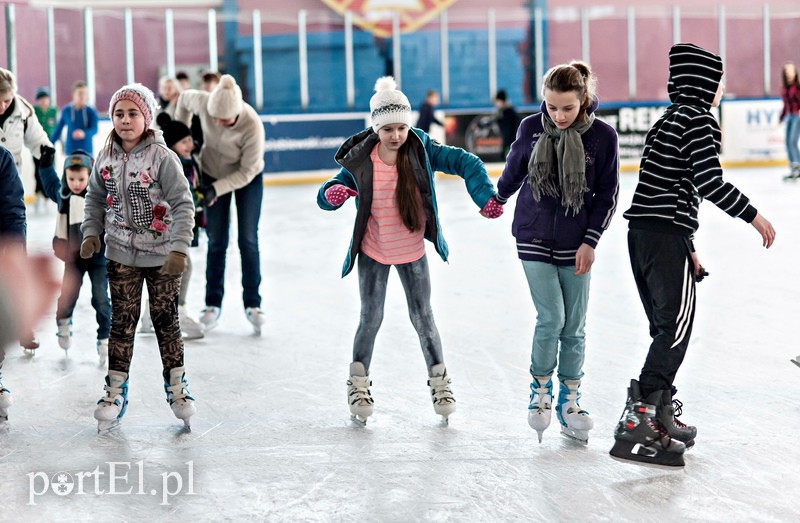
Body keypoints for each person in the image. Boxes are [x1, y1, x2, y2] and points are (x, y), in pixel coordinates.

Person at [610, 43, 776, 467]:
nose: (722, 89)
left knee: (666, 328)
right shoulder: (700, 121)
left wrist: (690, 246)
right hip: (665, 238)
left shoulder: (666, 120)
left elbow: (667, 191)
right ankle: (641, 417)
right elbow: (709, 182)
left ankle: (660, 412)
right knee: (675, 332)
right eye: (718, 81)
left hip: (644, 235)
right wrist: (753, 215)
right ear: (703, 83)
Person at [317, 76, 504, 425]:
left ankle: (439, 381)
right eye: (388, 128)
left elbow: (467, 163)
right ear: (376, 127)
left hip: (412, 251)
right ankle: (358, 382)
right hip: (374, 251)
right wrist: (331, 195)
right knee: (370, 317)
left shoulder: (421, 148)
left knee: (423, 317)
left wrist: (483, 197)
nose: (396, 135)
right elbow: (331, 188)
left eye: (402, 127)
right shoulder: (362, 158)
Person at [495, 62, 619, 444]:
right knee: (552, 317)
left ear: (583, 100)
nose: (559, 116)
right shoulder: (531, 128)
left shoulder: (603, 136)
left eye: (567, 107)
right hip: (532, 235)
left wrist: (591, 241)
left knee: (575, 325)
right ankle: (541, 392)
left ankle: (570, 400)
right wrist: (496, 198)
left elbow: (607, 196)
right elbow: (514, 171)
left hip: (576, 241)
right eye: (551, 107)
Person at [80, 83, 197, 432]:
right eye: (119, 113)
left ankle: (177, 388)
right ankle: (115, 391)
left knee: (166, 323)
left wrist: (179, 247)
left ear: (146, 117)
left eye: (133, 113)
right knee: (122, 324)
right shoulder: (106, 156)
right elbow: (94, 198)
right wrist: (90, 232)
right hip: (119, 253)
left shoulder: (163, 157)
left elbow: (183, 204)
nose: (125, 120)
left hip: (162, 255)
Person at [174, 74, 267, 334]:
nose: (216, 122)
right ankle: (212, 303)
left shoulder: (252, 125)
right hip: (212, 173)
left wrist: (217, 188)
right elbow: (182, 99)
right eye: (213, 117)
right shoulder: (206, 102)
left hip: (246, 179)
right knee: (217, 241)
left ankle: (253, 302)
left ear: (235, 115)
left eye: (222, 120)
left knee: (248, 239)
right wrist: (180, 131)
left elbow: (247, 172)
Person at [36, 150, 112, 361]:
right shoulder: (63, 196)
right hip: (73, 260)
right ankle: (63, 323)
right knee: (68, 296)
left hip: (98, 258)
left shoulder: (99, 198)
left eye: (81, 178)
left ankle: (105, 336)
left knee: (101, 298)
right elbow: (50, 181)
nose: (76, 183)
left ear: (90, 175)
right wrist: (44, 165)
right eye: (71, 179)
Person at [0, 68, 55, 349]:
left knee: (15, 261)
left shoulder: (23, 111)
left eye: (6, 100)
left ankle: (21, 325)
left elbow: (40, 143)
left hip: (10, 191)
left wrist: (51, 172)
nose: (1, 106)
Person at [138, 112, 205, 340]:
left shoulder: (189, 164)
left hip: (177, 225)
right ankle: (178, 309)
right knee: (183, 266)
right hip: (164, 227)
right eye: (185, 141)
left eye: (190, 140)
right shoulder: (169, 165)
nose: (191, 144)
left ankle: (149, 315)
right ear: (173, 145)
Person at [50, 81, 99, 155]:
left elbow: (95, 129)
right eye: (80, 93)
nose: (83, 96)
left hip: (87, 151)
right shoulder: (66, 111)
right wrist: (50, 144)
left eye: (85, 94)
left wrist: (84, 133)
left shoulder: (91, 111)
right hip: (70, 151)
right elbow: (58, 130)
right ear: (73, 94)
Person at [33, 87, 58, 211]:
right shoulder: (34, 111)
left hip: (50, 147)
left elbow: (57, 128)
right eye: (41, 99)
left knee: (50, 171)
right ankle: (39, 194)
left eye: (45, 99)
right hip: (37, 147)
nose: (43, 101)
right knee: (37, 172)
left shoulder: (53, 111)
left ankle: (48, 196)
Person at [779, 61, 800, 180]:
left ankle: (797, 166)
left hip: (797, 115)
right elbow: (785, 104)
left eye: (791, 70)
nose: (789, 72)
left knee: (792, 141)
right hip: (789, 116)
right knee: (787, 142)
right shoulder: (785, 87)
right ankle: (794, 168)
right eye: (787, 70)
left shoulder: (797, 86)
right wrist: (781, 117)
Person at [495, 89, 520, 161]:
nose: (497, 103)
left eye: (498, 101)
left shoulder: (509, 112)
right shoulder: (501, 112)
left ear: (501, 101)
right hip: (507, 141)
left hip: (511, 140)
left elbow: (514, 126)